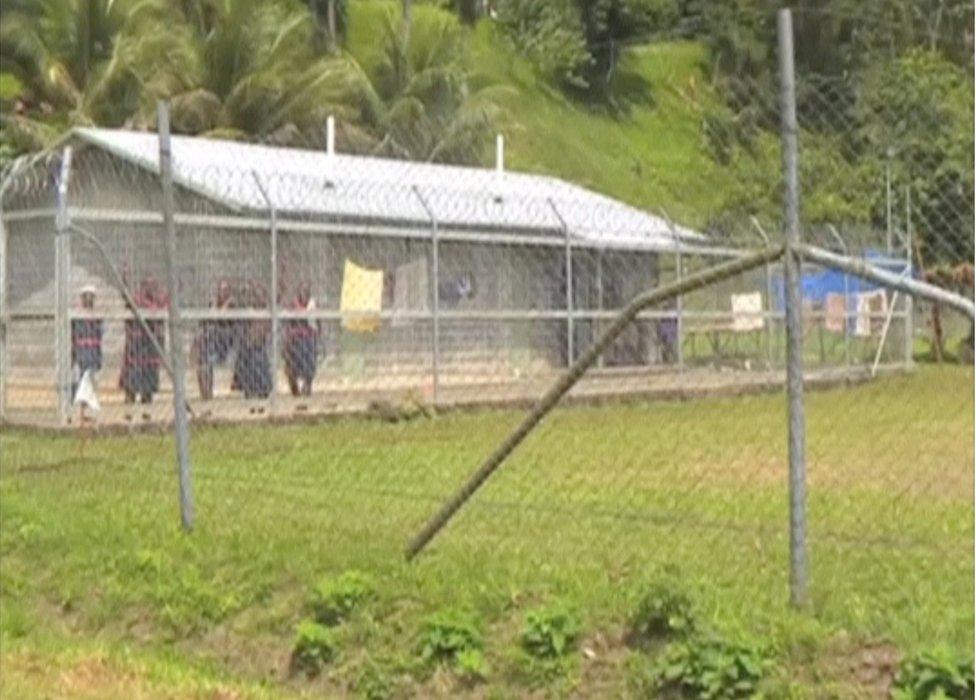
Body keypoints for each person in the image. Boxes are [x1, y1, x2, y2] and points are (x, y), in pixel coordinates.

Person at [120, 276, 167, 404]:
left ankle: (147, 398)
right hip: (136, 344)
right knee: (132, 379)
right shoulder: (137, 299)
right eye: (148, 286)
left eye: (153, 286)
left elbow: (164, 308)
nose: (151, 289)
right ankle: (129, 400)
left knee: (149, 381)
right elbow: (127, 298)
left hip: (151, 346)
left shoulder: (159, 302)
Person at [195, 279, 238, 400]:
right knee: (203, 360)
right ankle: (206, 395)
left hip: (225, 344)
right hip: (211, 342)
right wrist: (214, 306)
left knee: (207, 351)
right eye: (220, 290)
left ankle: (207, 394)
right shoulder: (212, 304)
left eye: (225, 290)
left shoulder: (232, 305)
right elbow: (205, 321)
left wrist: (224, 305)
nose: (222, 293)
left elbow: (221, 317)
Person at [232, 282, 272, 401]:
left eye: (261, 295)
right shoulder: (249, 310)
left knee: (258, 360)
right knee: (250, 358)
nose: (258, 298)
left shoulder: (267, 311)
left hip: (260, 346)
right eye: (256, 295)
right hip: (248, 347)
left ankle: (261, 388)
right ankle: (248, 388)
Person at [284, 282, 320, 396]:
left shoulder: (312, 305)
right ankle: (294, 389)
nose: (305, 293)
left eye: (307, 291)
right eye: (303, 290)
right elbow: (288, 323)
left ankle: (307, 385)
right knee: (291, 367)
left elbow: (317, 324)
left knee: (309, 365)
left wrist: (317, 334)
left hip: (308, 339)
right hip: (295, 339)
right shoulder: (293, 304)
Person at [71, 284, 103, 400]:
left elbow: (99, 337)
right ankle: (77, 410)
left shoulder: (97, 316)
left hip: (93, 353)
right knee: (78, 381)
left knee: (90, 382)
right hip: (80, 352)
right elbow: (73, 335)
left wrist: (99, 356)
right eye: (86, 296)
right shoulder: (77, 315)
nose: (89, 299)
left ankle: (86, 410)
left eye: (91, 297)